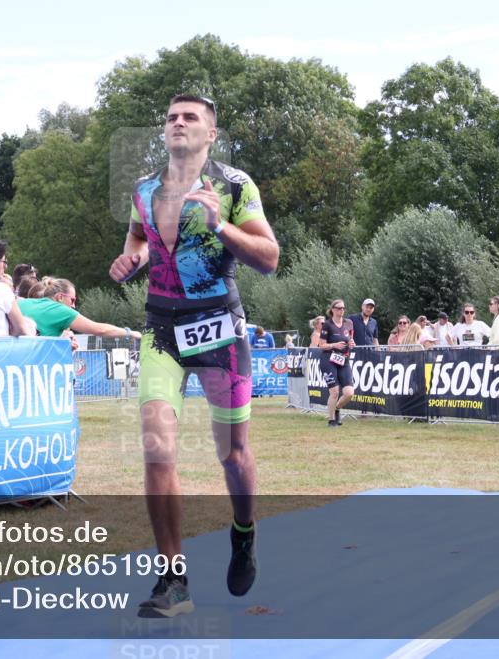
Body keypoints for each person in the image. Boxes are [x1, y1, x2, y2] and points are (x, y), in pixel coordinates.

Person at [108, 94, 279, 617]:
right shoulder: (143, 191)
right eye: (171, 118)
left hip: (219, 332)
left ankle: (244, 532)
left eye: (191, 118)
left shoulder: (233, 186)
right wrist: (130, 260)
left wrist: (221, 225)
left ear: (210, 134)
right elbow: (137, 241)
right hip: (161, 329)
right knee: (157, 448)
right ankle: (173, 580)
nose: (178, 124)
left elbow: (269, 258)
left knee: (232, 455)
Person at [19, 277, 138, 340]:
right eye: (72, 300)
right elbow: (100, 330)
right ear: (60, 297)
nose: (73, 306)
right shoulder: (60, 310)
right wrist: (130, 333)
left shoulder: (23, 303)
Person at [319, 299, 356, 427]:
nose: (342, 310)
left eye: (343, 308)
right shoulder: (327, 325)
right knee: (334, 391)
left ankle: (337, 409)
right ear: (333, 309)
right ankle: (331, 420)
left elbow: (351, 339)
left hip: (343, 359)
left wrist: (351, 343)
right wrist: (334, 345)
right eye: (339, 308)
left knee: (349, 393)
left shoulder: (349, 323)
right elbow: (321, 345)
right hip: (328, 359)